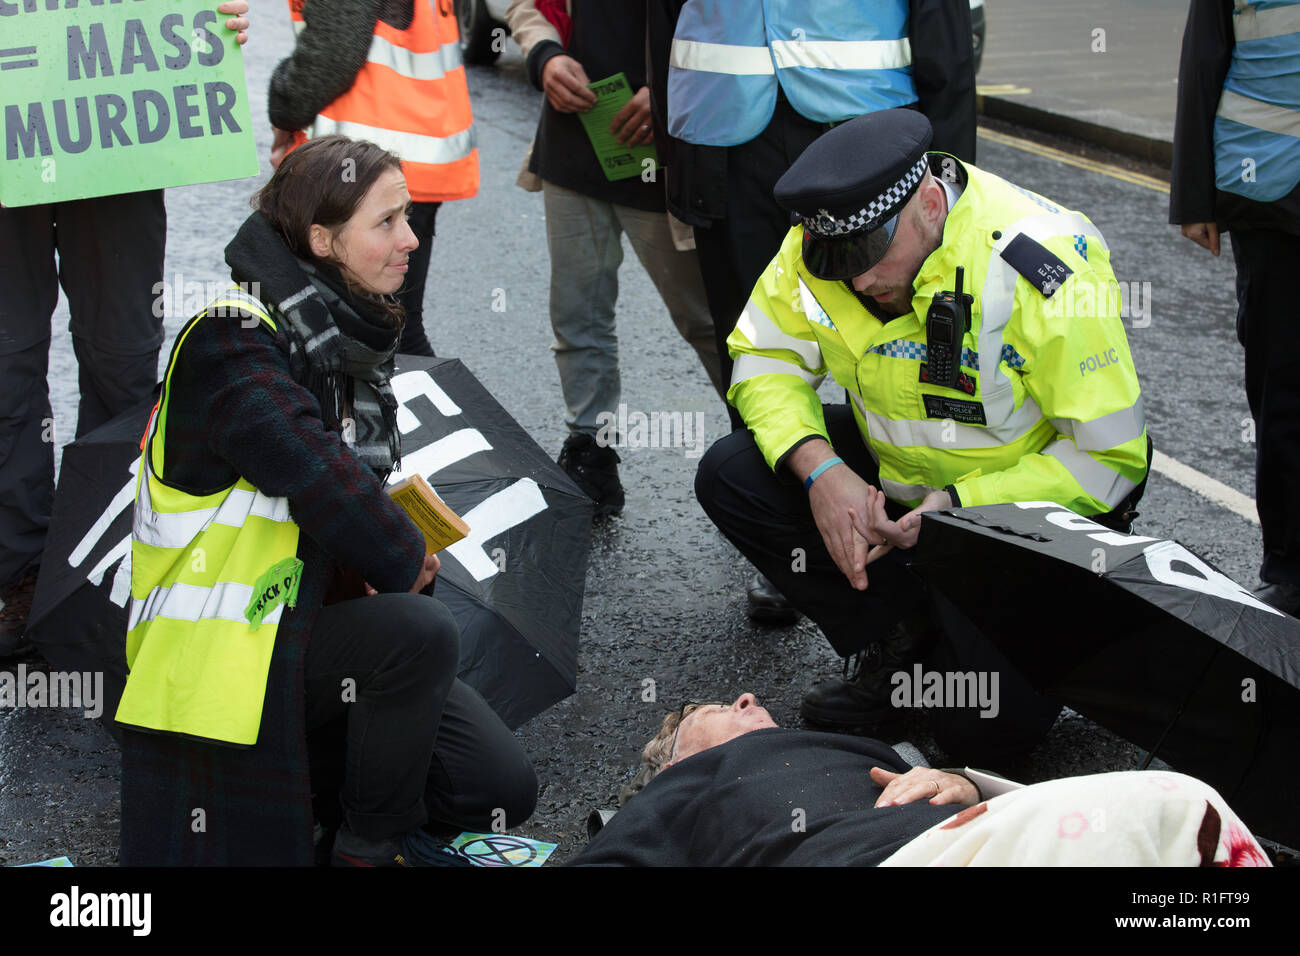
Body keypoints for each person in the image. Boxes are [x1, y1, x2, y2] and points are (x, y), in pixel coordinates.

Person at [116, 136, 536, 866]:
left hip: (303, 618)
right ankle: (365, 850)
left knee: (495, 784)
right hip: (221, 650)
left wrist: (375, 553)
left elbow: (339, 495)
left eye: (409, 218)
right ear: (321, 239)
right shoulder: (231, 335)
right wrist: (400, 551)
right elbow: (311, 469)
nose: (411, 240)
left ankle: (319, 785)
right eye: (387, 222)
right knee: (417, 628)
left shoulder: (337, 335)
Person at [695, 110, 1150, 742]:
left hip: (1015, 517)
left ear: (931, 204)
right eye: (837, 261)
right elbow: (764, 358)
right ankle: (898, 637)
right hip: (902, 483)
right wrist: (823, 473)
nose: (858, 279)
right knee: (730, 473)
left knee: (988, 736)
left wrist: (958, 506)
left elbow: (1110, 459)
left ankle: (1043, 632)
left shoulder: (1042, 262)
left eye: (871, 254)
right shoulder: (816, 250)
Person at [646, 0, 977, 623]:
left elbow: (944, 34)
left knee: (906, 353)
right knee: (754, 354)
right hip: (725, 145)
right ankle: (804, 552)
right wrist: (679, 158)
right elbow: (665, 24)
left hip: (868, 142)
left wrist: (953, 176)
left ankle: (933, 530)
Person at [0, 2, 252, 659]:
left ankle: (102, 561)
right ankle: (21, 572)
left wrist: (207, 24)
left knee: (123, 362)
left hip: (116, 135)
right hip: (13, 124)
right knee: (7, 363)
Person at [572, 695, 1272, 866]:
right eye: (717, 707)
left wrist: (965, 782)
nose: (748, 700)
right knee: (1181, 808)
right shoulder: (674, 795)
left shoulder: (861, 746)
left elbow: (1005, 812)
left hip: (961, 842)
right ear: (671, 759)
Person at [506, 0, 725, 517]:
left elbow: (734, 26)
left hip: (667, 160)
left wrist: (671, 92)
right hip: (573, 149)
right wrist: (544, 56)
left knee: (708, 322)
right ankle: (590, 453)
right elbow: (525, 6)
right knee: (578, 315)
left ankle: (771, 451)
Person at [1170, 0, 1300, 615]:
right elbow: (1204, 58)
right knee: (1283, 393)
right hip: (1271, 193)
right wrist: (1194, 194)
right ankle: (1291, 569)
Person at [268, 0, 480, 357]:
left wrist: (284, 107)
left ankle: (423, 411)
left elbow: (333, 53)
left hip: (359, 173)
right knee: (392, 324)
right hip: (409, 155)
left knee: (369, 326)